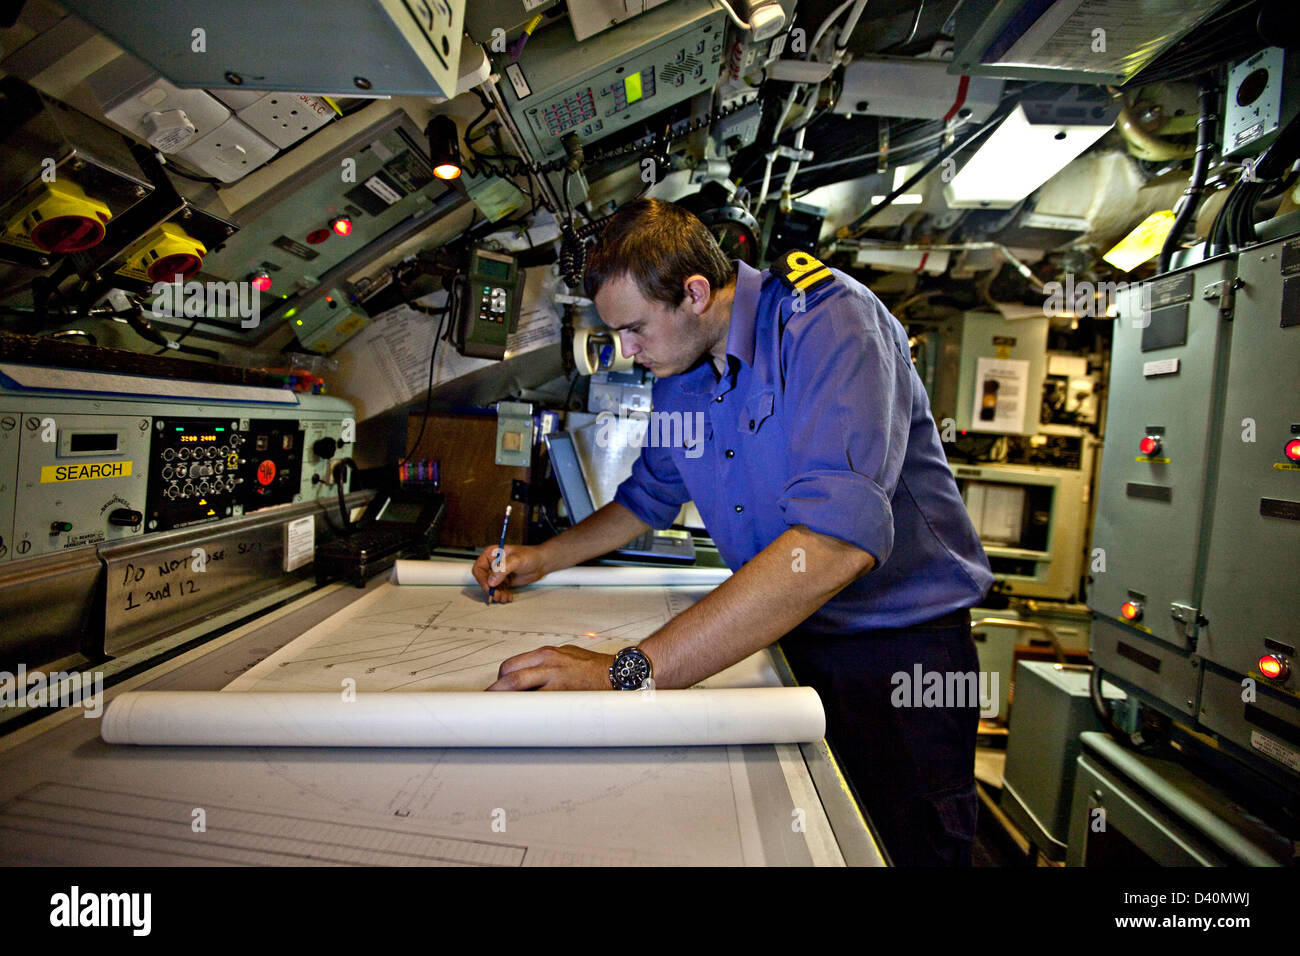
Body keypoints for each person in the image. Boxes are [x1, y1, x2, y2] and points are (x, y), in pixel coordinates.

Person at [472, 198, 993, 866]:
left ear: (693, 293)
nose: (626, 353)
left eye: (633, 329)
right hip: (785, 635)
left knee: (905, 842)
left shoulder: (828, 321)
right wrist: (541, 557)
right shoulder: (680, 376)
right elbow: (647, 499)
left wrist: (629, 671)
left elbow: (835, 543)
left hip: (895, 656)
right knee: (807, 840)